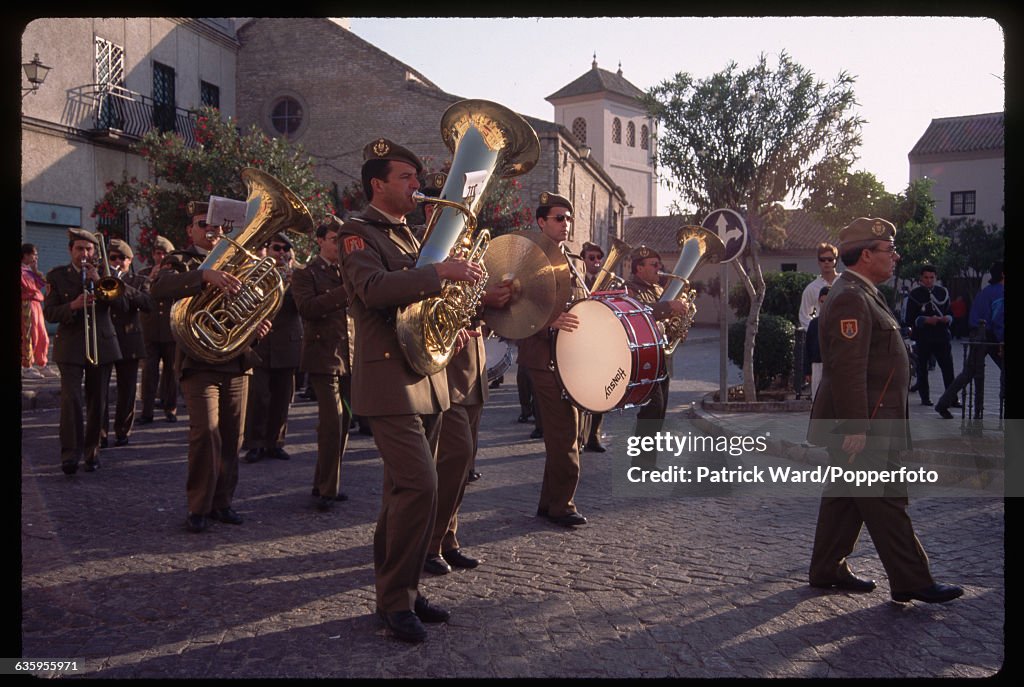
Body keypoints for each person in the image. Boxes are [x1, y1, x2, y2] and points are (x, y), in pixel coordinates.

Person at [338, 138, 482, 643]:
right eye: (407, 178)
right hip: (387, 379)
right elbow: (374, 291)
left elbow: (421, 306)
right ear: (378, 184)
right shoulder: (358, 233)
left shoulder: (410, 238)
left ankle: (401, 592)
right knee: (420, 485)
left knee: (404, 494)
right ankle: (395, 599)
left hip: (426, 376)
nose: (418, 186)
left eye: (417, 178)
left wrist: (453, 317)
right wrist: (437, 271)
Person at [807, 217, 963, 604]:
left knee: (845, 498)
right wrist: (855, 426)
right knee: (886, 498)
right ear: (865, 255)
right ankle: (913, 579)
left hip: (871, 419)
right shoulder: (850, 297)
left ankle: (827, 568)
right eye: (887, 250)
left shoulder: (863, 292)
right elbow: (847, 368)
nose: (895, 256)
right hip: (865, 424)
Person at [150, 201, 272, 534]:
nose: (211, 229)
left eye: (218, 224)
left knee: (233, 436)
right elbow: (158, 289)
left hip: (236, 360)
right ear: (190, 230)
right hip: (198, 361)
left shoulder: (242, 263)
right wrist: (204, 275)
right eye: (203, 224)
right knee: (206, 433)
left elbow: (252, 307)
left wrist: (255, 329)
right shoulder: (181, 261)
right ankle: (198, 506)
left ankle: (222, 503)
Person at [419, 179, 511, 576]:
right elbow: (424, 307)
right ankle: (428, 542)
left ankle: (448, 537)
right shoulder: (427, 254)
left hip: (472, 370)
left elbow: (473, 307)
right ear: (430, 212)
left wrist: (491, 301)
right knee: (451, 457)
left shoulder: (464, 253)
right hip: (444, 371)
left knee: (464, 461)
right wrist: (483, 298)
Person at [514, 192, 588, 527]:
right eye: (559, 218)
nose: (566, 224)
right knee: (565, 432)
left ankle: (550, 502)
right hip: (543, 357)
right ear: (541, 222)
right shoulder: (529, 259)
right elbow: (515, 307)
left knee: (566, 433)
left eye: (569, 218)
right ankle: (563, 505)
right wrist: (549, 321)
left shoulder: (576, 261)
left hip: (570, 356)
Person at [43, 229, 126, 475]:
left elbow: (121, 305)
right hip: (70, 347)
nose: (84, 254)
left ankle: (92, 453)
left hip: (101, 345)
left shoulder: (105, 275)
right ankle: (70, 455)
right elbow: (49, 313)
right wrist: (73, 305)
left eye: (89, 249)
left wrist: (99, 278)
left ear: (95, 252)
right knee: (71, 401)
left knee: (97, 401)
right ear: (71, 250)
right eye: (80, 249)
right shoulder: (57, 276)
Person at [291, 217, 353, 511]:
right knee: (332, 422)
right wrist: (346, 290)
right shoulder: (306, 273)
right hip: (322, 356)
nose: (338, 245)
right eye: (333, 239)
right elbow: (308, 308)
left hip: (350, 356)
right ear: (319, 241)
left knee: (345, 422)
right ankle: (329, 488)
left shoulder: (349, 270)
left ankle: (325, 482)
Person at [624, 245, 692, 469]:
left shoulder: (655, 289)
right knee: (652, 409)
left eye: (659, 264)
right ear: (639, 267)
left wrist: (679, 322)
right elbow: (636, 312)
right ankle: (641, 463)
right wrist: (667, 306)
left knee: (659, 411)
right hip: (643, 358)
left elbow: (663, 319)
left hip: (660, 356)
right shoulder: (628, 288)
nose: (659, 268)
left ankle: (646, 461)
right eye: (654, 265)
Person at [243, 233, 302, 463]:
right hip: (261, 343)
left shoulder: (299, 274)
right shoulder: (255, 273)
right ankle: (255, 443)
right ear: (267, 249)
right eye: (277, 248)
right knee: (259, 396)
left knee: (281, 397)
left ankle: (276, 442)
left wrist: (291, 281)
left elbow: (302, 307)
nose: (281, 253)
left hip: (287, 343)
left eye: (286, 249)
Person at [936, 261, 1004, 419]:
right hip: (989, 334)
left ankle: (944, 404)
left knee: (969, 372)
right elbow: (999, 319)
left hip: (978, 334)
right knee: (973, 372)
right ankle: (953, 405)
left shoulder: (986, 291)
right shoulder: (1000, 292)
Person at [102, 238, 152, 447]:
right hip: (104, 339)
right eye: (112, 258)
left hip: (128, 341)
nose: (117, 262)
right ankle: (100, 433)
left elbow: (147, 303)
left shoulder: (139, 281)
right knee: (100, 389)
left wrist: (122, 287)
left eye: (122, 258)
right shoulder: (100, 278)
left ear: (130, 261)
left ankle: (122, 431)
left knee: (128, 389)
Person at [138, 235, 179, 424]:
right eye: (157, 253)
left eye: (164, 254)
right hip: (151, 330)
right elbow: (139, 296)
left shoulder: (177, 274)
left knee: (171, 372)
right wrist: (151, 278)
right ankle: (147, 411)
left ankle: (170, 408)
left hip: (170, 331)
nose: (160, 257)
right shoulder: (145, 273)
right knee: (149, 372)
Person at [904, 265, 955, 406]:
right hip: (924, 337)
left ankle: (952, 398)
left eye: (932, 277)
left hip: (942, 336)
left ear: (936, 278)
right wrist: (925, 320)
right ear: (921, 278)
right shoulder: (915, 294)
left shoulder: (942, 292)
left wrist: (947, 318)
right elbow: (909, 319)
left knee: (948, 369)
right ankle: (925, 398)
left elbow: (950, 312)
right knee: (922, 369)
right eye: (926, 277)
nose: (929, 280)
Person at [578, 241, 607, 453]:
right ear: (583, 260)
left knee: (601, 392)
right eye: (592, 258)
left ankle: (594, 436)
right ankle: (579, 437)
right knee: (580, 393)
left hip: (601, 341)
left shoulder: (608, 283)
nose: (596, 262)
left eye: (599, 258)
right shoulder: (575, 281)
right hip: (580, 341)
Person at [21, 243, 55, 379]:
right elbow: (29, 289)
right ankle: (26, 365)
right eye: (34, 254)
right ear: (25, 255)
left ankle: (42, 363)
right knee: (29, 334)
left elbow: (44, 284)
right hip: (26, 304)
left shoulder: (30, 271)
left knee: (42, 335)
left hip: (36, 304)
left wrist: (35, 270)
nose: (36, 257)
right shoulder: (22, 271)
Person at [799, 242, 840, 329]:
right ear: (818, 262)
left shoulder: (845, 282)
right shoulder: (812, 288)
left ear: (835, 261)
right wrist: (814, 331)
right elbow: (804, 315)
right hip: (822, 333)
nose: (826, 262)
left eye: (830, 259)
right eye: (823, 259)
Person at [803, 286, 829, 401]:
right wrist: (807, 370)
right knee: (817, 397)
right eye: (822, 301)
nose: (824, 304)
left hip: (834, 364)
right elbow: (807, 347)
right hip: (817, 364)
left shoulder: (839, 322)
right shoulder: (814, 324)